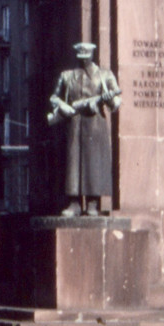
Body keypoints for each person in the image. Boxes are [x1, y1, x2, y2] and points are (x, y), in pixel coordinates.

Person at [47, 42, 122, 216]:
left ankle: (92, 203)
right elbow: (54, 97)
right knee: (73, 162)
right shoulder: (67, 75)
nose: (83, 59)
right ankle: (74, 203)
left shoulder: (105, 75)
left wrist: (109, 99)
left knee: (93, 163)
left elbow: (115, 104)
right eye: (80, 56)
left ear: (91, 55)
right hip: (74, 123)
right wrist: (63, 106)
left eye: (86, 56)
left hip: (95, 125)